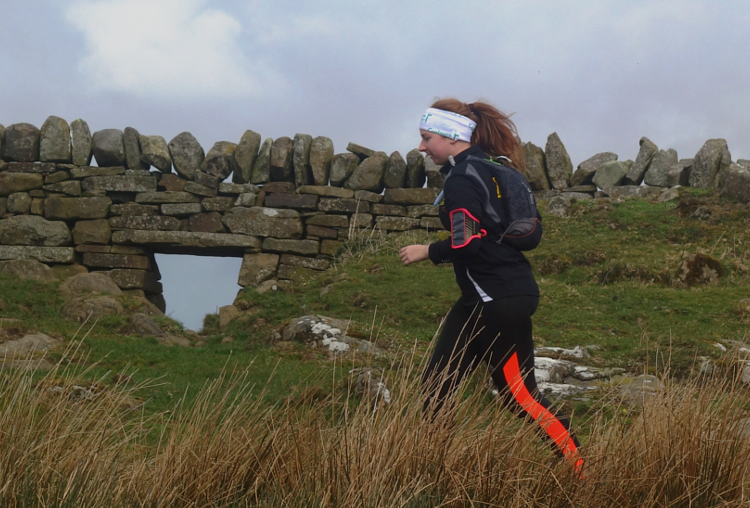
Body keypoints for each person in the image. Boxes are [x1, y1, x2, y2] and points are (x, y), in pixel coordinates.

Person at [399, 98, 583, 472]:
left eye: (426, 137)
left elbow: (465, 239)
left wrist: (427, 250)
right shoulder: (484, 169)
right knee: (438, 387)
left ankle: (581, 470)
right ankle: (434, 473)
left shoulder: (464, 178)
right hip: (478, 300)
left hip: (499, 299)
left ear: (452, 137)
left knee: (519, 397)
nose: (420, 147)